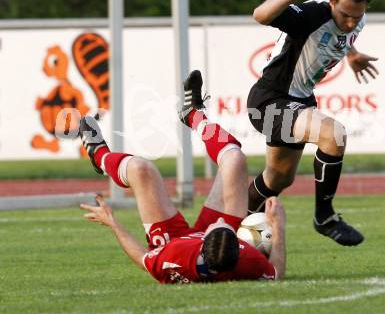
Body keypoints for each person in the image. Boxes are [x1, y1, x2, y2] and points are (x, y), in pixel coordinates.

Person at [79, 70, 286, 284]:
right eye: (229, 226)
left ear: (203, 240)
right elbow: (277, 273)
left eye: (219, 224)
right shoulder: (246, 259)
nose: (223, 219)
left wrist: (113, 223)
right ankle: (193, 114)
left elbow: (141, 258)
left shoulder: (174, 258)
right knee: (235, 159)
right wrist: (278, 228)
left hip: (172, 241)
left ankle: (98, 156)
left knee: (142, 170)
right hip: (220, 247)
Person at [247, 0, 378, 246]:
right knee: (334, 135)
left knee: (278, 178)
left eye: (357, 15)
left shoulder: (357, 18)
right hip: (270, 100)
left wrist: (352, 55)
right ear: (331, 1)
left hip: (299, 100)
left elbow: (342, 37)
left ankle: (234, 225)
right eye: (345, 14)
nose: (351, 22)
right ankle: (325, 218)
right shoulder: (311, 15)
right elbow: (260, 14)